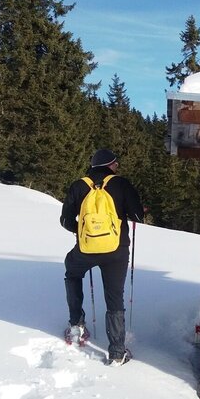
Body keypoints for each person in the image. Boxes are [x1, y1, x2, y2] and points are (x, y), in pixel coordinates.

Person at [60, 148, 144, 366]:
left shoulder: (79, 185)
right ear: (110, 164)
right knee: (114, 296)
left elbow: (65, 220)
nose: (117, 167)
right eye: (116, 163)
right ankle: (117, 352)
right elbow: (137, 215)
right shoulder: (121, 183)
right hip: (117, 250)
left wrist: (85, 232)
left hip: (86, 248)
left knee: (72, 273)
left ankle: (76, 326)